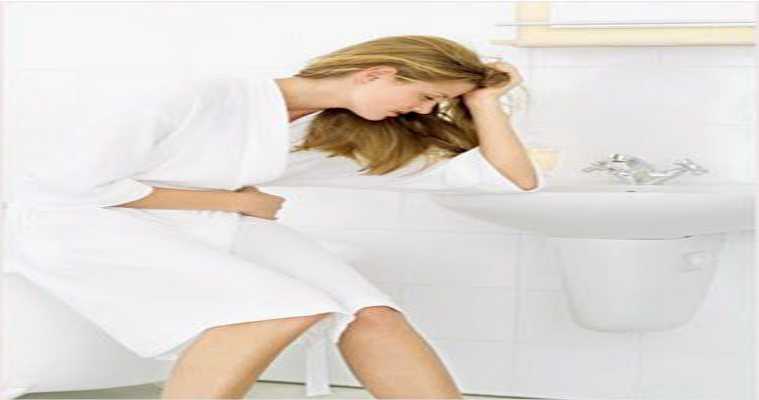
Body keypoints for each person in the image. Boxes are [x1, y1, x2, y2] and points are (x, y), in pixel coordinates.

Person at [4, 35, 545, 399]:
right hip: (78, 223)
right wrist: (236, 202)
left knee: (373, 314)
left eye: (438, 103)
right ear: (376, 73)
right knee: (273, 311)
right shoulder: (201, 93)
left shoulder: (333, 133)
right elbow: (69, 187)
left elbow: (511, 178)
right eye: (426, 96)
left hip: (203, 225)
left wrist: (485, 103)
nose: (425, 111)